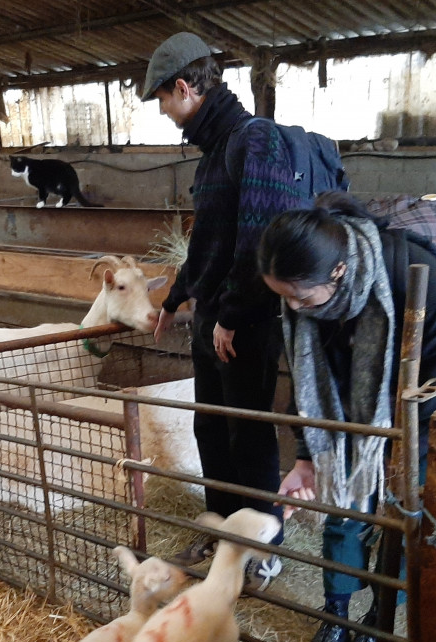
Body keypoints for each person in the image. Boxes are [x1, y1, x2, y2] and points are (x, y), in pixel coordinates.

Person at [258, 191, 436, 642]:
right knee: (345, 513)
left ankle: (378, 625)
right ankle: (336, 617)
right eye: (282, 295)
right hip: (357, 409)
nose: (292, 308)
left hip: (431, 412)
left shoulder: (434, 295)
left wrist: (396, 467)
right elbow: (315, 383)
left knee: (402, 519)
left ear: (340, 272)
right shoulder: (312, 306)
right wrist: (308, 458)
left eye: (299, 297)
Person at [142, 32, 306, 588]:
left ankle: (262, 547)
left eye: (163, 99)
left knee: (249, 431)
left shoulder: (253, 140)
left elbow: (260, 240)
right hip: (214, 318)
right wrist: (175, 297)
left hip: (248, 322)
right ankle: (223, 529)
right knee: (211, 427)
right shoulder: (214, 153)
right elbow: (207, 243)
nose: (164, 111)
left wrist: (231, 315)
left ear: (185, 88)